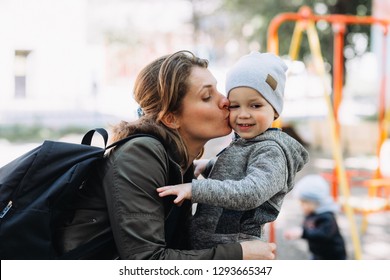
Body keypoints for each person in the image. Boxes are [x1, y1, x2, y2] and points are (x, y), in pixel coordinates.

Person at [57, 50, 276, 260]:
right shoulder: (140, 156)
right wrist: (239, 254)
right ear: (171, 118)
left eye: (219, 90)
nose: (225, 100)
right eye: (207, 96)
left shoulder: (178, 158)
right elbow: (147, 261)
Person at [157, 52, 309, 249]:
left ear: (275, 110)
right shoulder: (246, 142)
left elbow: (250, 192)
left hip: (237, 248)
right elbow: (236, 172)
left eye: (255, 105)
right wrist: (208, 165)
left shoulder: (272, 151)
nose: (243, 114)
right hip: (211, 246)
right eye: (235, 106)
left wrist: (194, 189)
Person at [283, 174, 347, 260]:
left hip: (333, 256)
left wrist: (303, 232)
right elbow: (307, 226)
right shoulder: (311, 213)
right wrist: (297, 231)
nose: (301, 206)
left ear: (316, 201)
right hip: (318, 254)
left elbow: (322, 234)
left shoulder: (327, 217)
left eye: (304, 202)